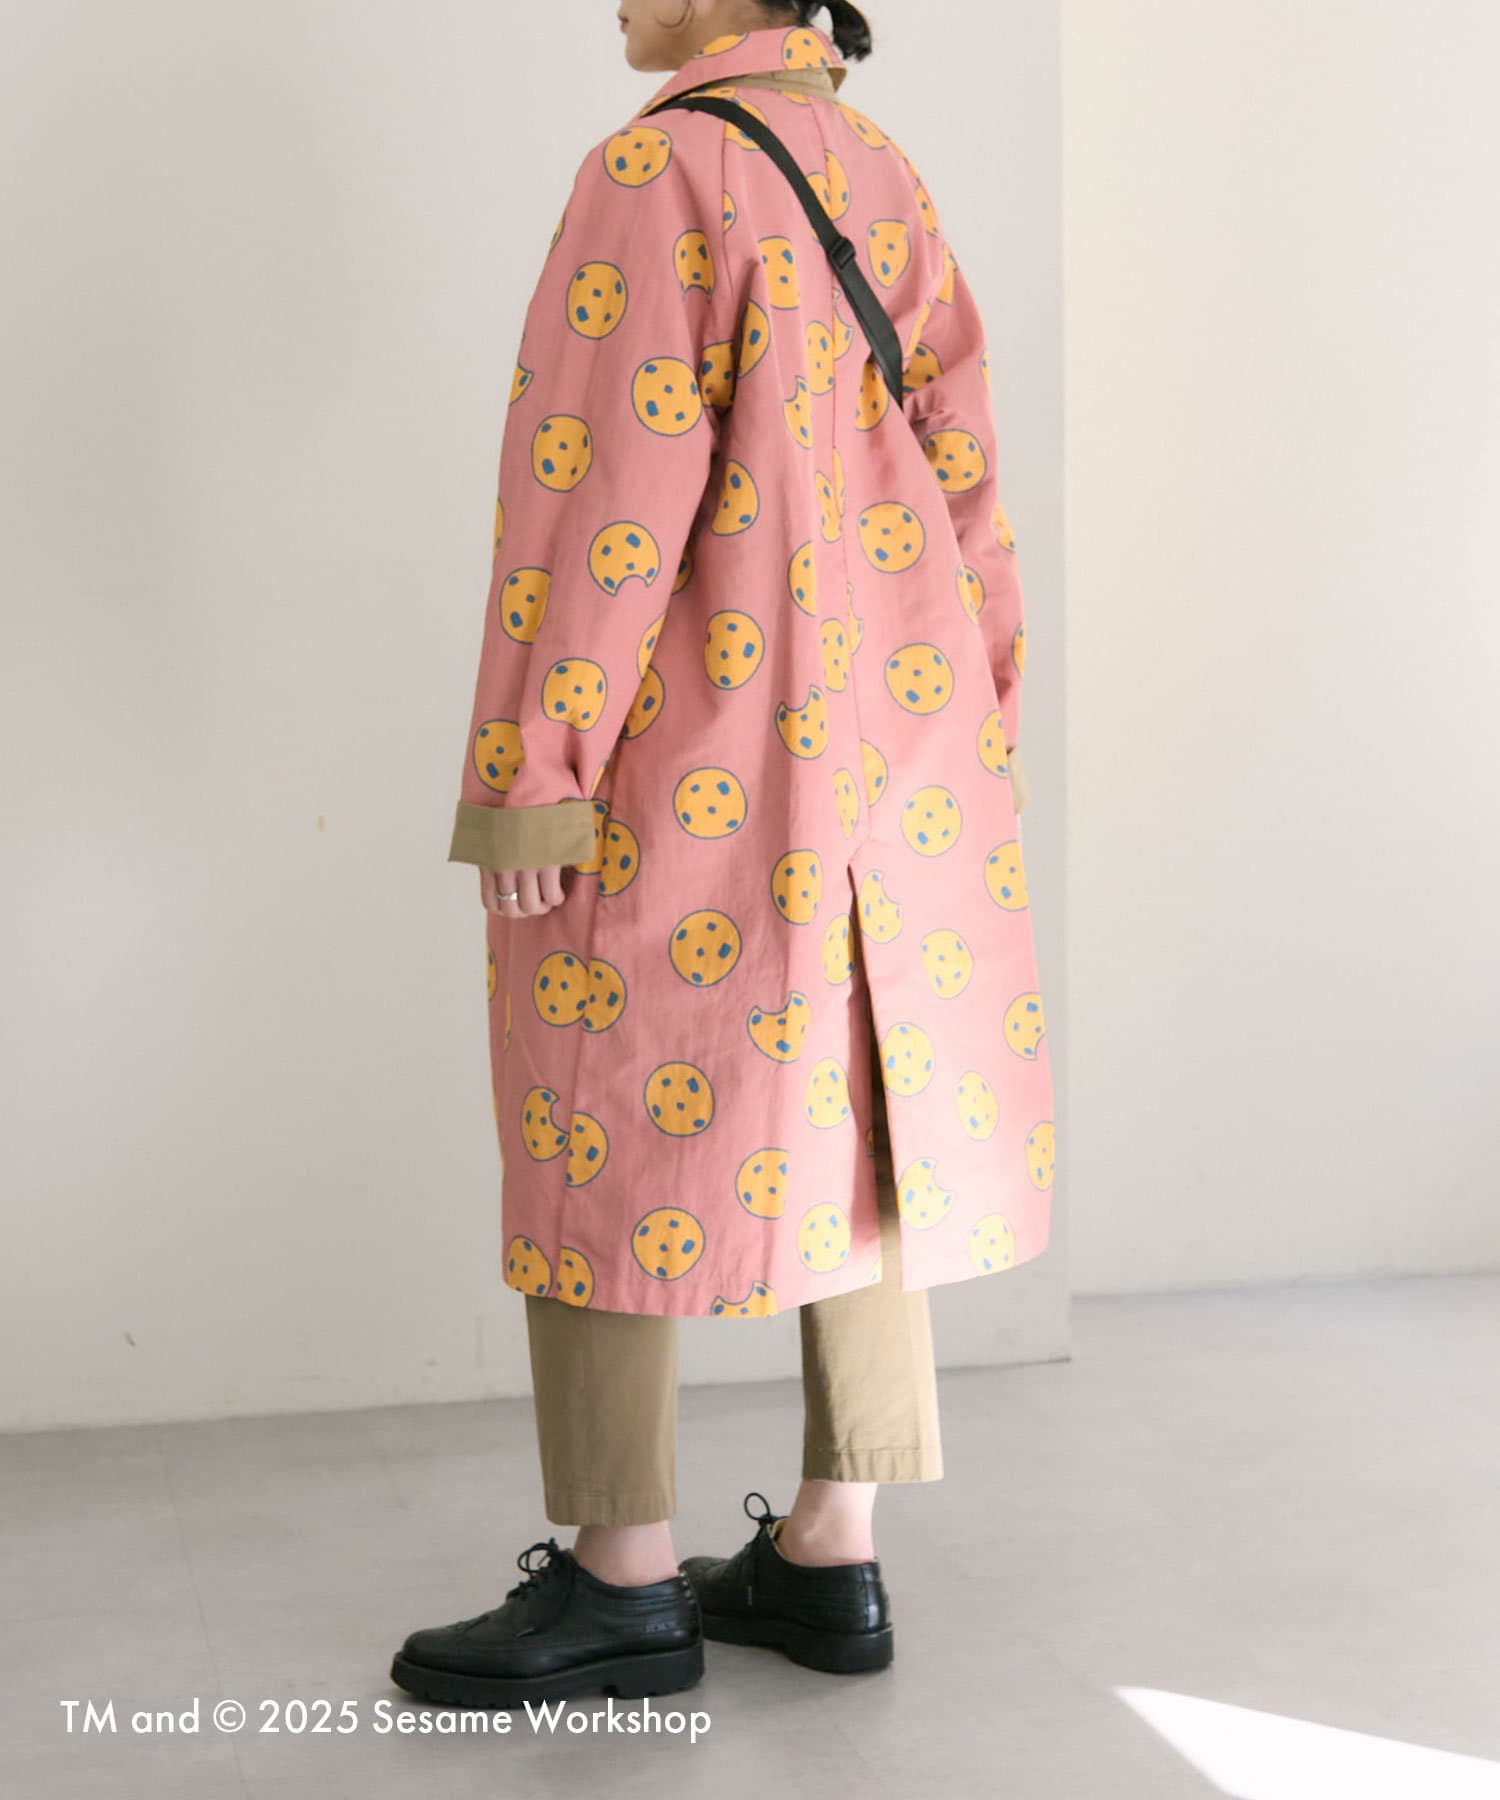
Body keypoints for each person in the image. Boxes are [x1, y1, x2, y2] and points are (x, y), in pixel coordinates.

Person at [392, 0, 1054, 1711]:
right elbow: (965, 472)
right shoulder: (878, 163)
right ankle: (834, 1552)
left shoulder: (657, 172)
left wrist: (534, 767)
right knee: (873, 1099)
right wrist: (976, 714)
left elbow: (595, 495)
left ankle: (622, 1575)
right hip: (896, 741)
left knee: (593, 1102)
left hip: (695, 744)